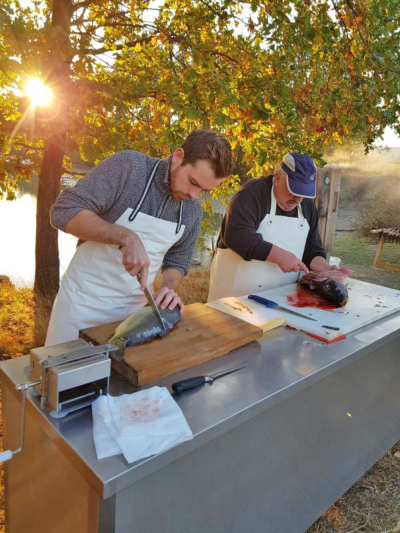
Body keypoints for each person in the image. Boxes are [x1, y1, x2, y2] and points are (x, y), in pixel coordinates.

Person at [46, 130, 232, 346]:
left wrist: (167, 288)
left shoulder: (192, 210)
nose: (194, 195)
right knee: (66, 376)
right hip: (81, 305)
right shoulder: (129, 168)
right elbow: (63, 211)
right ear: (178, 156)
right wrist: (124, 236)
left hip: (135, 317)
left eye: (204, 190)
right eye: (193, 182)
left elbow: (178, 259)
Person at [207, 152, 337, 302]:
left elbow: (311, 247)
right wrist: (280, 256)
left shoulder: (306, 206)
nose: (297, 199)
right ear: (277, 177)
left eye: (302, 193)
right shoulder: (251, 195)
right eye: (293, 190)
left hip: (279, 300)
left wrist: (323, 267)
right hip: (233, 298)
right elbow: (238, 235)